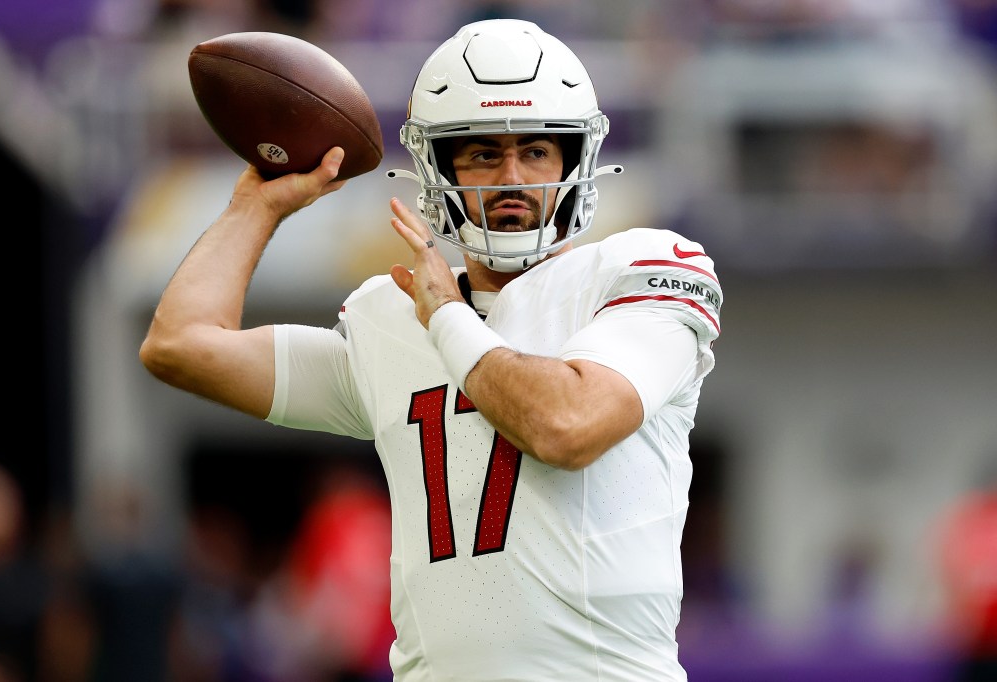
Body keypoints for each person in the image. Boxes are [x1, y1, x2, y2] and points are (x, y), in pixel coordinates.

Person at [140, 18, 723, 681]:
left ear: (573, 162)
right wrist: (257, 205)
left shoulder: (637, 271)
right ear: (437, 169)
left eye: (536, 151)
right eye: (481, 153)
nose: (511, 178)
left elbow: (566, 424)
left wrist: (446, 315)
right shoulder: (390, 316)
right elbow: (181, 345)